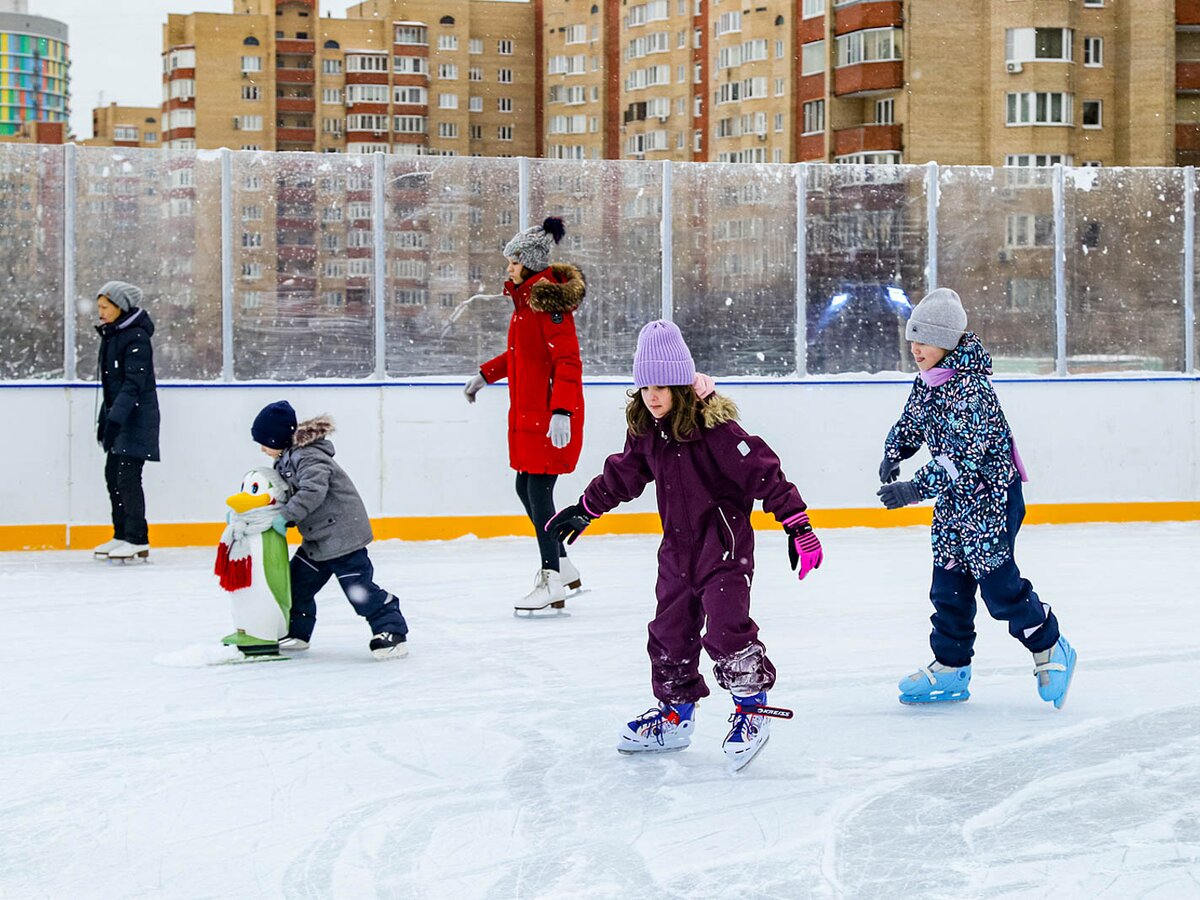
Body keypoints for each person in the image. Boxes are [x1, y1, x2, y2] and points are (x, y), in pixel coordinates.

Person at [546, 320, 824, 769]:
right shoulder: (647, 429)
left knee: (726, 629)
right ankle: (676, 714)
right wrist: (586, 507)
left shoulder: (716, 429)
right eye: (644, 387)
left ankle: (751, 709)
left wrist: (798, 525)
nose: (652, 396)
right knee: (670, 631)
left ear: (679, 384)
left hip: (723, 547)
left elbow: (764, 472)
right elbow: (623, 475)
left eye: (662, 386)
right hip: (676, 548)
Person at [876, 288, 1077, 708]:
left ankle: (1049, 645)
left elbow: (961, 458)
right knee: (948, 587)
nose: (916, 348)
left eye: (925, 340)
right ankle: (951, 669)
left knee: (998, 588)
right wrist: (895, 450)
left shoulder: (972, 392)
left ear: (948, 343)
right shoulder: (930, 381)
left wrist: (914, 488)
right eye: (913, 338)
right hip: (954, 503)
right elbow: (913, 420)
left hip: (991, 499)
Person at [463, 216, 588, 612]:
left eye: (514, 261)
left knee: (538, 491)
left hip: (550, 418)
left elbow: (567, 362)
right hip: (530, 416)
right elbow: (521, 357)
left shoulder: (548, 308)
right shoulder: (524, 307)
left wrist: (562, 411)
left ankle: (551, 577)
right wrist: (487, 374)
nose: (508, 268)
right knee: (526, 489)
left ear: (530, 263)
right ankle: (563, 566)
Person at [252, 401, 409, 660]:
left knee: (359, 591)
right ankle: (298, 633)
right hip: (317, 541)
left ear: (277, 437)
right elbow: (285, 494)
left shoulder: (308, 457)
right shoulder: (285, 460)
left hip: (343, 538)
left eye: (264, 442)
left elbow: (313, 491)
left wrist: (287, 517)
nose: (262, 448)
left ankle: (390, 630)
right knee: (295, 586)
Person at [93, 281, 160, 562]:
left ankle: (137, 538)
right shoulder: (113, 335)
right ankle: (121, 533)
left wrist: (115, 421)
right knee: (113, 476)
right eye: (98, 307)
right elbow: (111, 388)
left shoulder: (136, 338)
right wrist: (104, 419)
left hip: (137, 418)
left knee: (128, 478)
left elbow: (133, 384)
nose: (100, 313)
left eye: (105, 307)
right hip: (121, 416)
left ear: (121, 307)